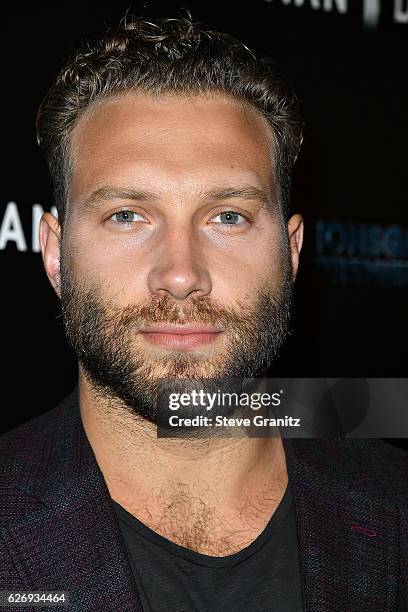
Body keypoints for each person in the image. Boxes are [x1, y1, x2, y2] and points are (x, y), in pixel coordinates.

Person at [0, 12, 407, 612]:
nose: (183, 274)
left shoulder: (395, 508)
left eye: (228, 217)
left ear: (290, 252)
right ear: (56, 255)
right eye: (127, 216)